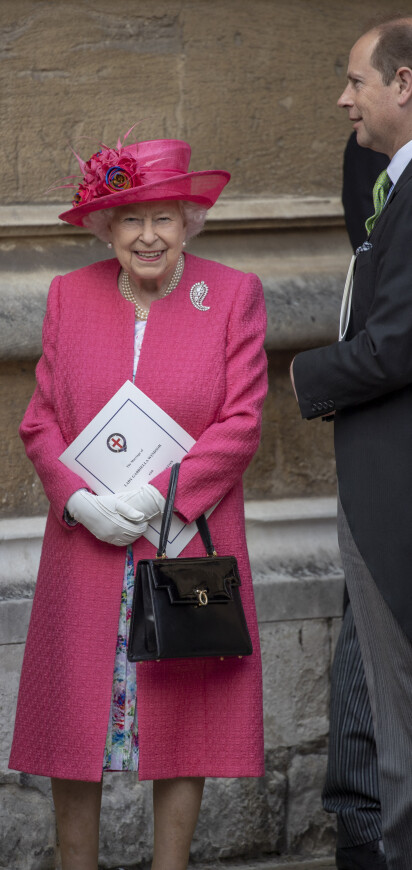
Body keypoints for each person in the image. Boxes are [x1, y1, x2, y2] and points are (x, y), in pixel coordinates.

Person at [9, 135, 268, 870]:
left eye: (163, 217)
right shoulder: (71, 294)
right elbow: (40, 420)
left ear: (189, 221)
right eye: (129, 220)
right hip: (87, 549)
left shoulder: (232, 294)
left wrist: (161, 500)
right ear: (106, 230)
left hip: (185, 540)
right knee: (73, 721)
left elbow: (242, 422)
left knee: (182, 717)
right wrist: (78, 500)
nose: (147, 235)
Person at [291, 16, 412, 870]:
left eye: (357, 82)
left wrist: (307, 378)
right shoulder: (378, 173)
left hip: (392, 488)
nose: (343, 97)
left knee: (396, 713)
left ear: (404, 85)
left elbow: (396, 339)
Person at [321, 132, 389, 870]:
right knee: (366, 640)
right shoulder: (372, 152)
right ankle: (362, 830)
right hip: (389, 445)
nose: (347, 98)